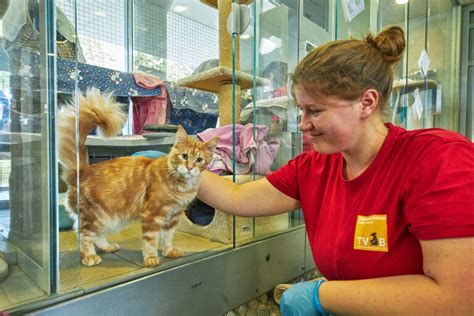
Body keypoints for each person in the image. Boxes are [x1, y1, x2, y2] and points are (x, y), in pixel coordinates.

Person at [197, 25, 474, 315]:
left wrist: (322, 295)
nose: (303, 124)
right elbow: (237, 197)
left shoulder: (437, 159)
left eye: (315, 111)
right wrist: (171, 166)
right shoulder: (314, 167)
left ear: (366, 102)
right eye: (301, 111)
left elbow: (459, 300)